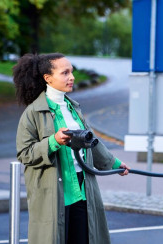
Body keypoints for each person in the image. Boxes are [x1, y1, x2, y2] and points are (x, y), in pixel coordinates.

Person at [13, 53, 129, 244]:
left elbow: (92, 141)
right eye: (65, 73)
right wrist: (54, 141)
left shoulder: (73, 108)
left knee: (85, 238)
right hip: (53, 192)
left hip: (83, 189)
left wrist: (115, 164)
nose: (72, 77)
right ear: (47, 78)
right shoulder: (32, 114)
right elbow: (25, 154)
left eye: (72, 72)